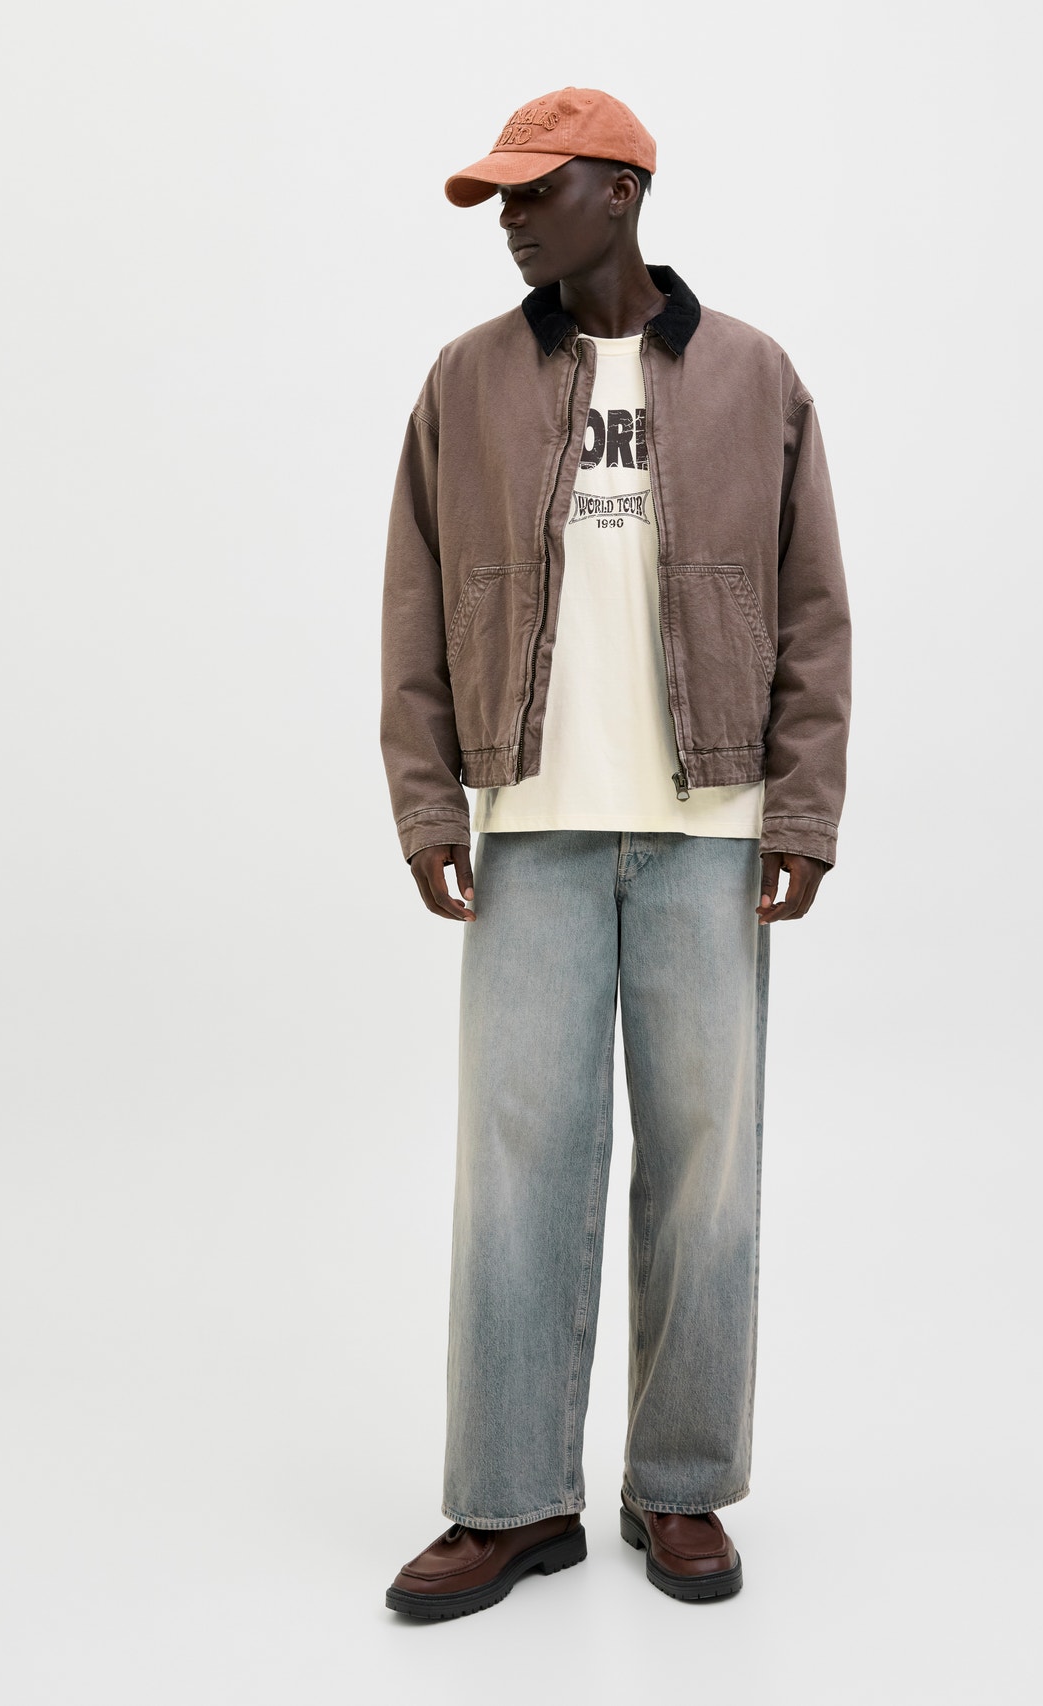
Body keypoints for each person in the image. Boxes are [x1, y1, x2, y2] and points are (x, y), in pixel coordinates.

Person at [379, 86, 851, 1620]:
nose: (512, 219)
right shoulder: (465, 381)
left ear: (623, 192)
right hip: (533, 831)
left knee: (708, 1171)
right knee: (515, 1175)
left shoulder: (754, 376)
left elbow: (812, 612)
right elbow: (414, 601)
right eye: (501, 198)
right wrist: (430, 805)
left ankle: (680, 1481)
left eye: (538, 191)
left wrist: (801, 812)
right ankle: (513, 1497)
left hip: (712, 832)